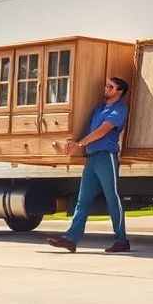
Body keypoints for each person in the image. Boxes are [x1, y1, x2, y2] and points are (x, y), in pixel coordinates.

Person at [47, 77, 130, 253]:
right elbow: (90, 130)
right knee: (82, 200)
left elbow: (103, 130)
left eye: (110, 86)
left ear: (119, 91)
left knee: (112, 198)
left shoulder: (120, 109)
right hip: (91, 158)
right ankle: (71, 238)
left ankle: (121, 240)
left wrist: (81, 144)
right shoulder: (99, 109)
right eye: (106, 85)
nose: (106, 88)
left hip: (106, 157)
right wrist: (75, 143)